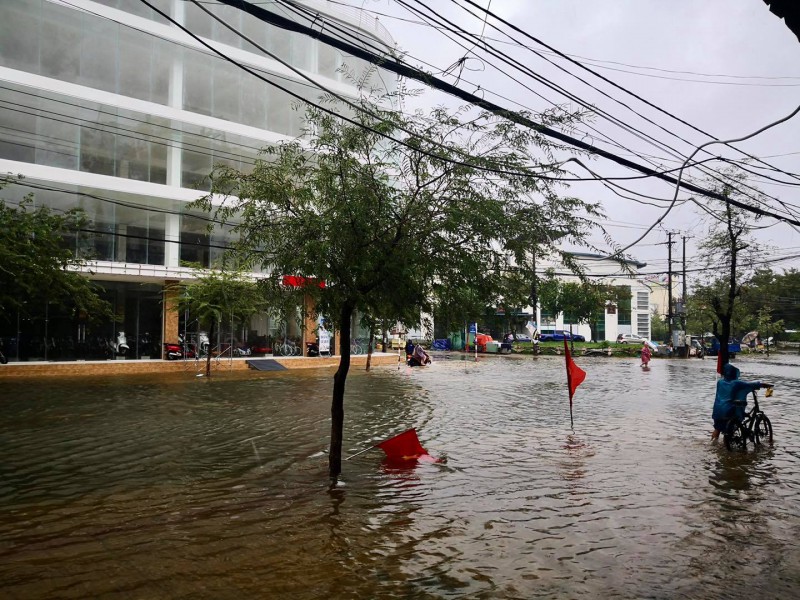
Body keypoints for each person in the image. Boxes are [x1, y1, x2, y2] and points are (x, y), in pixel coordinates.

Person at [710, 363, 772, 440]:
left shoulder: (720, 382)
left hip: (717, 410)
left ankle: (713, 445)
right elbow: (750, 385)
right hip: (729, 410)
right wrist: (764, 385)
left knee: (718, 429)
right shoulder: (736, 383)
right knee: (732, 426)